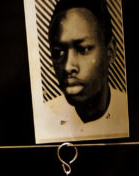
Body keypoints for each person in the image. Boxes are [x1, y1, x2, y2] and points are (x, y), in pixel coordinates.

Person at [41, 0, 127, 141]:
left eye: (84, 49)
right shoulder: (45, 119)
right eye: (58, 52)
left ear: (110, 52)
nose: (68, 66)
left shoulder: (132, 113)